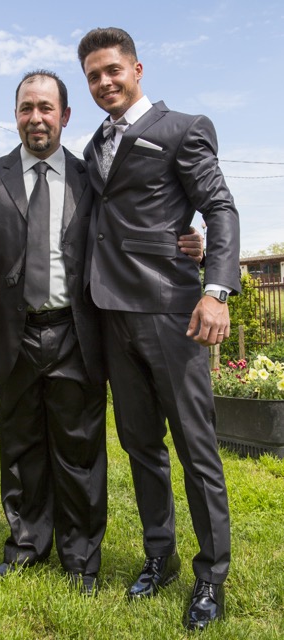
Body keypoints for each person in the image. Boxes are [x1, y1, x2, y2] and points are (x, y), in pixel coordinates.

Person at [77, 27, 240, 631]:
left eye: (112, 70)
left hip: (172, 313)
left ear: (137, 69)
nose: (104, 83)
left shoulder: (182, 128)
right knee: (141, 445)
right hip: (111, 316)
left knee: (196, 448)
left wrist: (216, 289)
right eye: (93, 76)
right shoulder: (94, 144)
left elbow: (219, 207)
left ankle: (211, 575)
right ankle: (159, 557)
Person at [0, 70, 108, 596]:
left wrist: (185, 239)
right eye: (26, 108)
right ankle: (26, 547)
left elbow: (128, 231)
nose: (36, 118)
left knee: (79, 451)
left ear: (65, 115)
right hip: (11, 336)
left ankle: (81, 558)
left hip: (75, 333)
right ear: (15, 114)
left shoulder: (91, 179)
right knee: (20, 449)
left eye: (46, 107)